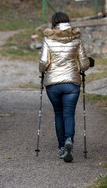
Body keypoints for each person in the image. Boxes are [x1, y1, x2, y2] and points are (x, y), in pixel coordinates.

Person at [39, 12, 90, 162]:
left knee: (58, 114)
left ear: (53, 23)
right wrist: (86, 65)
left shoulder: (48, 39)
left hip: (53, 85)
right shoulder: (76, 39)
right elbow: (84, 64)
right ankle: (69, 141)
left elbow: (43, 62)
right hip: (71, 84)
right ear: (68, 22)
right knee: (69, 114)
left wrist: (42, 71)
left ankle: (62, 147)